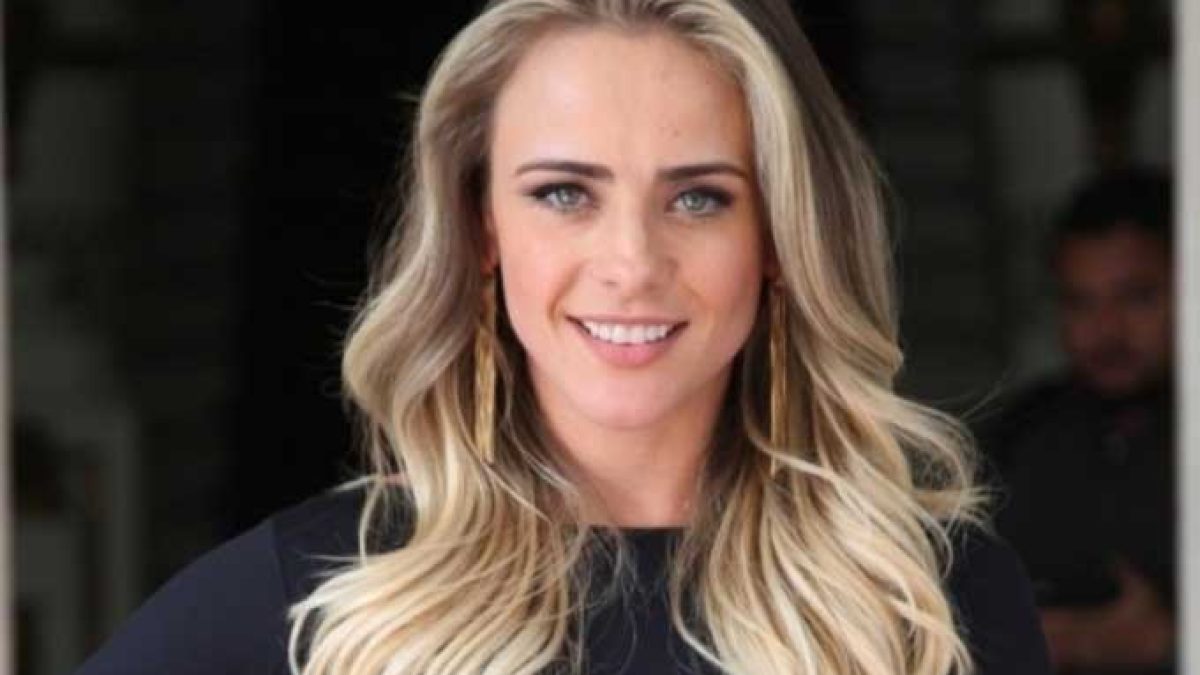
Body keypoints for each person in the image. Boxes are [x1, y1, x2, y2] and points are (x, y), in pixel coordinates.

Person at [74, 1, 1051, 673]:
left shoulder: (930, 601)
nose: (631, 262)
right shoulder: (328, 587)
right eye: (563, 194)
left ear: (779, 240)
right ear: (483, 229)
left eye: (699, 198)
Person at [982, 169, 1174, 674]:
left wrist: (1168, 644)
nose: (1107, 329)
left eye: (1137, 297)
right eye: (1080, 302)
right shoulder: (1020, 434)